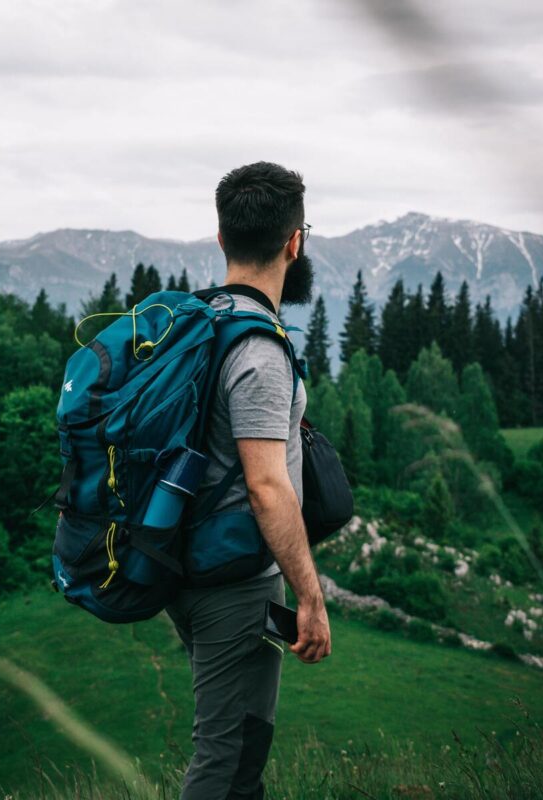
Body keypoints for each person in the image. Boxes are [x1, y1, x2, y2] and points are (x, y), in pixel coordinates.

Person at [165, 161, 332, 800]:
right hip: (231, 579)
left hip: (189, 561)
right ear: (295, 242)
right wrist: (309, 598)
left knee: (242, 754)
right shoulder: (258, 351)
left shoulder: (201, 322)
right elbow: (267, 488)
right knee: (226, 758)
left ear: (220, 237)